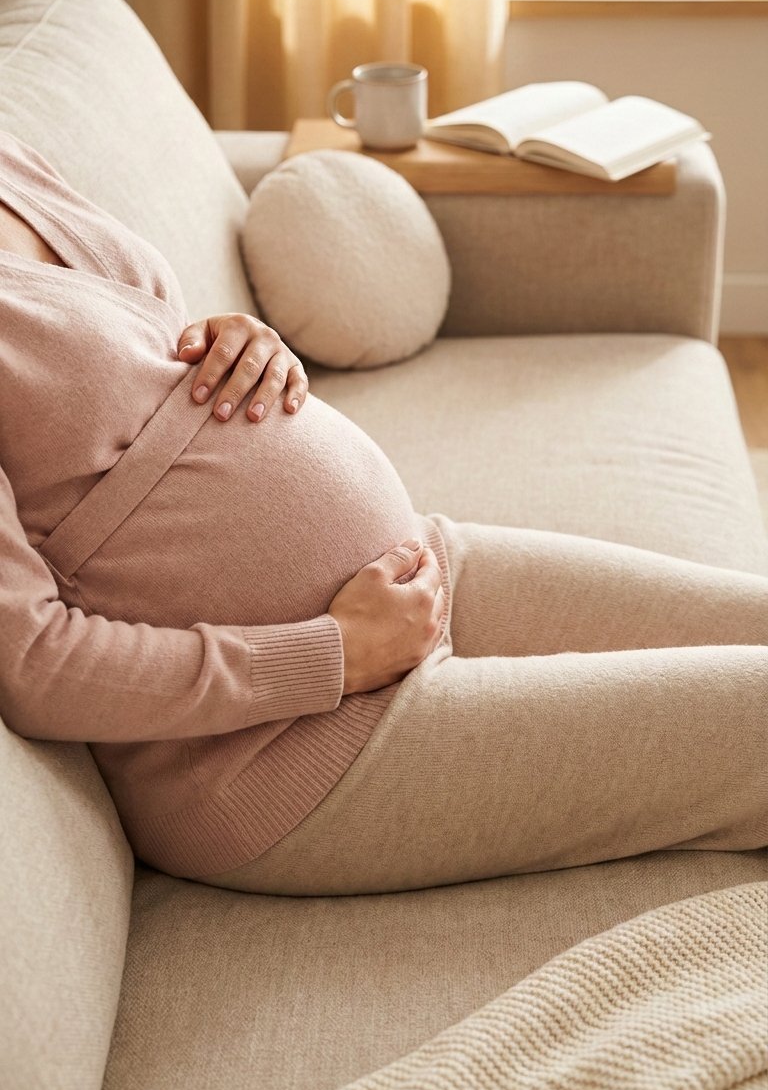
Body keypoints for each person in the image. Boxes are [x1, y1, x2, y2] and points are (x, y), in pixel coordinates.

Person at [1, 130, 766, 898]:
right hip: (290, 751)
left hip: (415, 569)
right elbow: (32, 665)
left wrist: (236, 341)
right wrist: (332, 654)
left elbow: (110, 375)